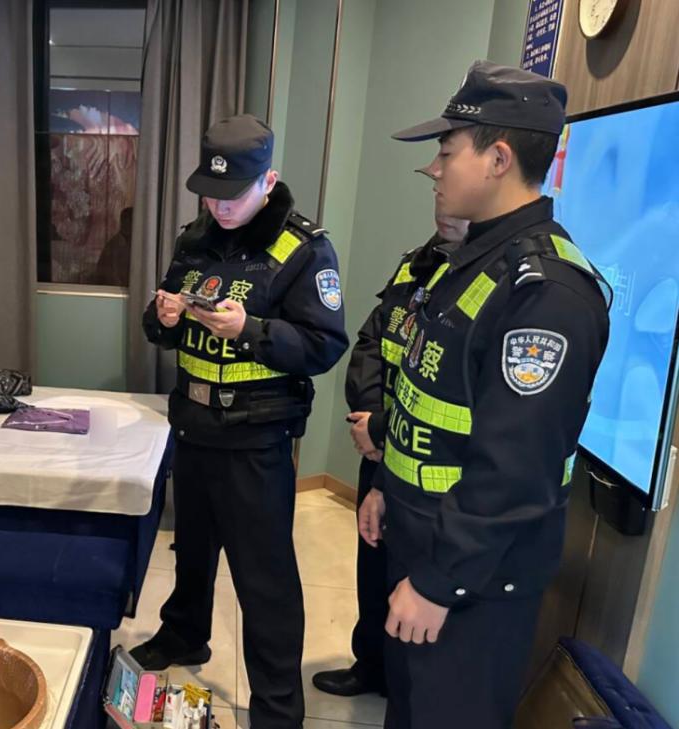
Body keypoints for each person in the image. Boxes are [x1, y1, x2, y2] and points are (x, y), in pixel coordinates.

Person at [359, 61, 610, 729]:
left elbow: (515, 470)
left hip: (472, 582)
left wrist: (440, 581)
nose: (436, 170)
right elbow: (425, 397)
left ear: (498, 159)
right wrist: (386, 486)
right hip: (424, 544)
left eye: (447, 152)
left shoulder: (546, 294)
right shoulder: (471, 265)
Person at [130, 114, 349, 729]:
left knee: (265, 579)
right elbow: (159, 325)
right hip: (194, 427)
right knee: (192, 551)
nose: (220, 206)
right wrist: (163, 317)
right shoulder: (194, 239)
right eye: (210, 193)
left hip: (256, 438)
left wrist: (249, 330)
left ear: (268, 181)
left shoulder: (303, 249)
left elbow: (324, 345)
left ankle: (278, 707)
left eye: (233, 194)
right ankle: (184, 635)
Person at [312, 201, 468, 699]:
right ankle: (371, 666)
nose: (443, 205)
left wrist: (384, 428)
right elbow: (372, 342)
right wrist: (368, 421)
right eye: (438, 195)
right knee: (373, 564)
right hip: (381, 453)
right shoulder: (417, 263)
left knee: (418, 583)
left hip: (435, 470)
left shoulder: (487, 282)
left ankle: (405, 685)